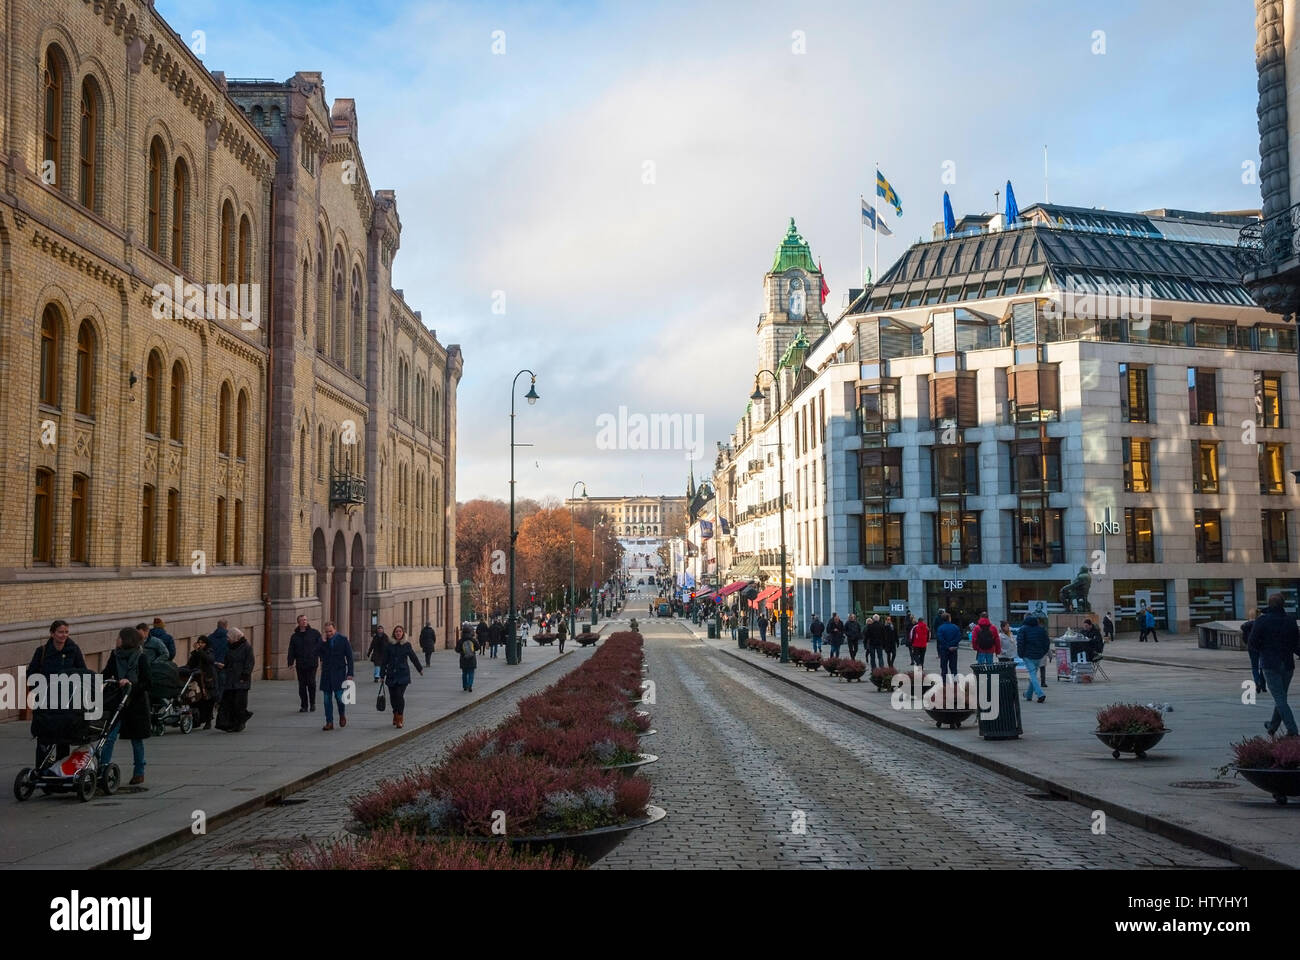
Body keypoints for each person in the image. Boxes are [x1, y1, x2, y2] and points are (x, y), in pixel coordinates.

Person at [28, 620, 88, 770]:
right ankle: (41, 769)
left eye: (66, 632)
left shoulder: (73, 650)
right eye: (61, 632)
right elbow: (31, 674)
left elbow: (83, 672)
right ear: (52, 633)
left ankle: (61, 769)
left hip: (66, 701)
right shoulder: (42, 651)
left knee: (63, 738)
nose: (64, 635)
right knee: (44, 737)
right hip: (45, 701)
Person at [101, 626, 152, 785]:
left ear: (126, 640)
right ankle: (103, 769)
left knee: (136, 739)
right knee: (109, 737)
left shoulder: (141, 657)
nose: (117, 639)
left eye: (119, 637)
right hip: (117, 702)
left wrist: (131, 684)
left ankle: (139, 771)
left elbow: (147, 682)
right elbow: (106, 673)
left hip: (135, 703)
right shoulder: (115, 655)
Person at [1252, 593, 1299, 737]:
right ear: (1283, 604)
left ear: (1269, 604)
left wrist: (1262, 650)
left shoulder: (1262, 621)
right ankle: (1272, 726)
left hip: (1270, 664)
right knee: (1281, 697)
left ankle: (1293, 731)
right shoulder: (1290, 620)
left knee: (1280, 698)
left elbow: (1252, 642)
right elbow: (1296, 643)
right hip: (1287, 664)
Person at [382, 626, 423, 729]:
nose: (398, 633)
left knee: (399, 695)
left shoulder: (406, 645)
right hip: (391, 675)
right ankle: (395, 713)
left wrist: (420, 669)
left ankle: (400, 717)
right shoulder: (389, 645)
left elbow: (413, 657)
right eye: (396, 631)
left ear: (403, 633)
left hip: (403, 674)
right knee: (392, 697)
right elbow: (384, 661)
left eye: (400, 631)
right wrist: (382, 674)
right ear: (394, 633)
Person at [216, 627, 254, 732]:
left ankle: (239, 723)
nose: (227, 639)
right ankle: (229, 724)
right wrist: (223, 666)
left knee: (239, 704)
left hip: (241, 680)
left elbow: (249, 663)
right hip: (231, 679)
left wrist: (244, 676)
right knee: (228, 703)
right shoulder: (230, 647)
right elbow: (228, 661)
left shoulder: (246, 647)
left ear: (235, 637)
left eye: (229, 637)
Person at [319, 621, 354, 731]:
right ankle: (329, 722)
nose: (328, 633)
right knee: (326, 700)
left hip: (339, 673)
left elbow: (349, 657)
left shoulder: (343, 640)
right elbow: (318, 653)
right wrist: (323, 643)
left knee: (339, 698)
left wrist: (350, 673)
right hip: (326, 673)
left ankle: (342, 714)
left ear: (335, 629)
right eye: (327, 632)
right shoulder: (323, 641)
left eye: (330, 631)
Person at [287, 614, 322, 712]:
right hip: (300, 664)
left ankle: (312, 703)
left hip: (312, 663)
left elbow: (320, 647)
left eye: (306, 620)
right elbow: (291, 650)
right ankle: (304, 705)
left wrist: (322, 659)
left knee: (311, 683)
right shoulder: (294, 636)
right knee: (302, 685)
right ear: (298, 622)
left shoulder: (314, 633)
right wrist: (290, 662)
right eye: (302, 620)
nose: (304, 621)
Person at [185, 635, 218, 730]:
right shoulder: (196, 653)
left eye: (202, 643)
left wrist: (199, 651)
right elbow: (191, 664)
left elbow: (209, 660)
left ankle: (208, 720)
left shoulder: (209, 651)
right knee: (197, 699)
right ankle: (198, 719)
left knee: (208, 700)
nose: (200, 645)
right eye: (199, 643)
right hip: (197, 679)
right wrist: (195, 653)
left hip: (208, 679)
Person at [1017, 614, 1050, 703]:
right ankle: (1028, 694)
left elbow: (1020, 642)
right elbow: (1047, 642)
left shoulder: (1023, 629)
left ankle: (1040, 694)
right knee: (1033, 675)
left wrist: (1020, 654)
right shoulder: (1041, 629)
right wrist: (1043, 652)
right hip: (1038, 655)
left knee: (1032, 675)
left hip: (1028, 655)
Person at [1243, 608, 1266, 695]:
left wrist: (1248, 644)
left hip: (1251, 647)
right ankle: (1263, 685)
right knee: (1262, 666)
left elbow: (1244, 638)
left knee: (1254, 666)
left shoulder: (1246, 626)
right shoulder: (1262, 624)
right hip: (1261, 647)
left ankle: (1257, 682)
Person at [209, 618, 230, 706]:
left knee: (214, 683)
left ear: (217, 626)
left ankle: (214, 700)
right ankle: (219, 701)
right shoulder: (229, 638)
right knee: (223, 684)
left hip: (213, 664)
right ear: (226, 626)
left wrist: (214, 662)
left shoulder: (210, 637)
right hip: (223, 665)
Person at [936, 612, 962, 680]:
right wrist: (952, 645)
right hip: (953, 649)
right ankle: (955, 682)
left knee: (944, 667)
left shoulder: (940, 628)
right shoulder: (955, 627)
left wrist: (948, 646)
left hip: (944, 649)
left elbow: (940, 639)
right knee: (953, 667)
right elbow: (959, 637)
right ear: (949, 618)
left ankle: (945, 683)